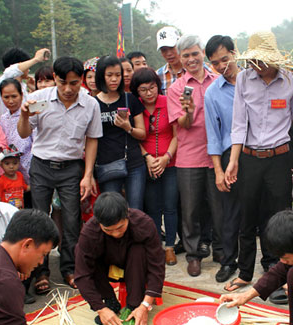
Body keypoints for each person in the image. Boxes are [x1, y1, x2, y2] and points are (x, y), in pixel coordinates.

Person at [224, 31, 293, 296]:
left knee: (278, 218)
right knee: (247, 216)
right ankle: (245, 272)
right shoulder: (243, 80)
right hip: (249, 158)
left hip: (280, 158)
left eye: (262, 61)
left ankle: (275, 272)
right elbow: (238, 125)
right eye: (254, 61)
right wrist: (233, 161)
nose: (257, 67)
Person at [18, 56, 102, 290]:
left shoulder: (90, 104)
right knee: (39, 219)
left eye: (74, 83)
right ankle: (41, 271)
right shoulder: (39, 99)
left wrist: (87, 175)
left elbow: (92, 140)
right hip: (42, 166)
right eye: (62, 82)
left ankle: (70, 269)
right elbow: (24, 134)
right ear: (54, 78)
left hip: (71, 168)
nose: (67, 89)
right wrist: (24, 115)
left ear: (82, 81)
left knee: (72, 220)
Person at [168, 34, 222, 277]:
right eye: (186, 55)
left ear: (203, 53)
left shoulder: (218, 81)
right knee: (190, 210)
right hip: (189, 157)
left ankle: (221, 250)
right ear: (180, 58)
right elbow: (183, 125)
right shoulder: (176, 88)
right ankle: (193, 255)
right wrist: (188, 112)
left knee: (219, 206)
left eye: (195, 53)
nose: (191, 59)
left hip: (217, 155)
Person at [75, 192, 164, 325]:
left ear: (127, 215)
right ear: (99, 223)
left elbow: (157, 265)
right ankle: (110, 301)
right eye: (108, 230)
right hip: (107, 266)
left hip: (136, 266)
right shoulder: (90, 232)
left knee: (138, 250)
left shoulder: (143, 223)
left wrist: (145, 305)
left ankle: (133, 305)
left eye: (120, 227)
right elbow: (82, 275)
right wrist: (100, 308)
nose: (116, 233)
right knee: (87, 255)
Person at [131, 67, 179, 266]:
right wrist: (148, 157)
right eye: (143, 89)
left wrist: (167, 157)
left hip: (170, 162)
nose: (149, 93)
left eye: (152, 88)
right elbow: (133, 136)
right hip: (147, 163)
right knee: (152, 207)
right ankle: (154, 246)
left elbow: (177, 135)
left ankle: (170, 247)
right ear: (137, 91)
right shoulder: (135, 107)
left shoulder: (168, 102)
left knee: (170, 206)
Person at [204, 35, 242, 283]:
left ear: (235, 53)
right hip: (230, 157)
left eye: (225, 59)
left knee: (263, 212)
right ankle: (229, 261)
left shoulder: (256, 81)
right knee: (230, 211)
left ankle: (272, 262)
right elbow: (213, 135)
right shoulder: (212, 93)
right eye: (215, 63)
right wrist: (219, 170)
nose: (221, 66)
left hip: (259, 152)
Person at [94, 55, 147, 209]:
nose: (114, 79)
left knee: (135, 209)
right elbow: (90, 138)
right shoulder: (93, 103)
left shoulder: (130, 99)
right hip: (107, 164)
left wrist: (127, 127)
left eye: (118, 75)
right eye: (109, 75)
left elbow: (142, 133)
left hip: (133, 162)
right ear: (101, 76)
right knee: (112, 211)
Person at [0, 47, 50, 118]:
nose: (28, 70)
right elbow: (10, 71)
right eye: (27, 65)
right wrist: (35, 59)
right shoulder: (1, 83)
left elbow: (30, 109)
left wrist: (35, 90)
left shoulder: (23, 86)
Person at [0, 78, 35, 185]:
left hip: (31, 167)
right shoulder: (4, 118)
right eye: (6, 97)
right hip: (12, 169)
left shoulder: (29, 114)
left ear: (21, 95)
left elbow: (35, 141)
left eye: (14, 96)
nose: (10, 101)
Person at [156, 26, 185, 95]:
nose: (169, 54)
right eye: (164, 50)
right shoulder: (158, 76)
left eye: (172, 48)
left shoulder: (197, 70)